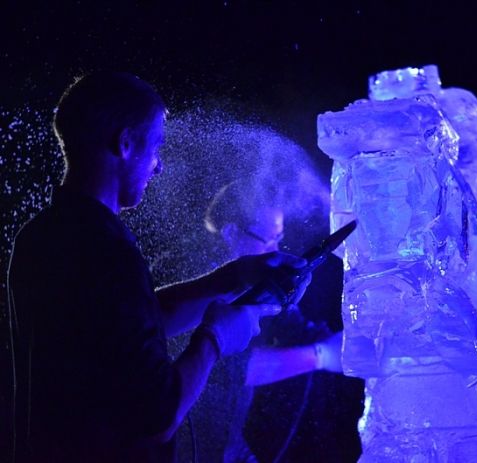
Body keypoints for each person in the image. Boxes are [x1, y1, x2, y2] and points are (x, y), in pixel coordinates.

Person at [6, 72, 310, 463]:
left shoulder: (40, 236)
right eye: (156, 147)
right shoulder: (106, 250)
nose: (159, 166)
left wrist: (238, 276)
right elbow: (158, 416)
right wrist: (215, 338)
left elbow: (130, 326)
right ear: (125, 143)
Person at [185, 182, 346, 462]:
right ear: (231, 233)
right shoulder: (193, 281)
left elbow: (298, 328)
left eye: (279, 238)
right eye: (269, 240)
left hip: (228, 446)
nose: (276, 249)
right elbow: (233, 371)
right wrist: (318, 356)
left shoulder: (258, 284)